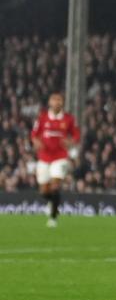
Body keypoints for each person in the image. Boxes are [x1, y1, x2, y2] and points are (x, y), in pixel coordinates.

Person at [30, 92, 80, 227]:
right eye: (54, 99)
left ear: (62, 103)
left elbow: (76, 135)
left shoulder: (69, 119)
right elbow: (34, 135)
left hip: (60, 157)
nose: (57, 102)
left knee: (55, 185)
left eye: (59, 100)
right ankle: (53, 203)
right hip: (44, 157)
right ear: (50, 103)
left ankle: (53, 218)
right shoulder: (42, 117)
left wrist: (71, 142)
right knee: (44, 191)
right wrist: (36, 142)